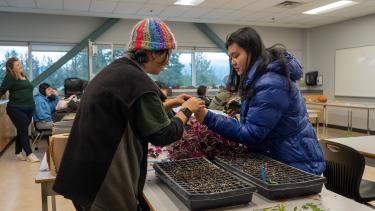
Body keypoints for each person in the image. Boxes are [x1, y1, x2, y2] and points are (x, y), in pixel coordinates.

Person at [53, 17, 204, 211]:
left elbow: (130, 114)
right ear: (150, 52)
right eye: (167, 53)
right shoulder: (138, 82)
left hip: (83, 175)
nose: (168, 61)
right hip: (104, 180)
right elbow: (163, 134)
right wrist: (186, 110)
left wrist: (172, 103)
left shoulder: (118, 71)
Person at [194, 27, 325, 175]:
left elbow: (252, 134)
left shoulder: (271, 82)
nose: (233, 62)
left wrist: (208, 117)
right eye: (230, 57)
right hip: (284, 158)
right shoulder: (263, 76)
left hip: (296, 165)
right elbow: (269, 113)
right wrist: (243, 108)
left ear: (252, 51)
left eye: (236, 55)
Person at [0, 57, 40, 162]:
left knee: (21, 130)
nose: (20, 65)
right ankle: (29, 153)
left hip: (29, 108)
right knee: (23, 131)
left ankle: (18, 152)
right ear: (11, 68)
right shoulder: (10, 77)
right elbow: (2, 90)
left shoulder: (23, 75)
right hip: (16, 109)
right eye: (17, 65)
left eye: (20, 63)